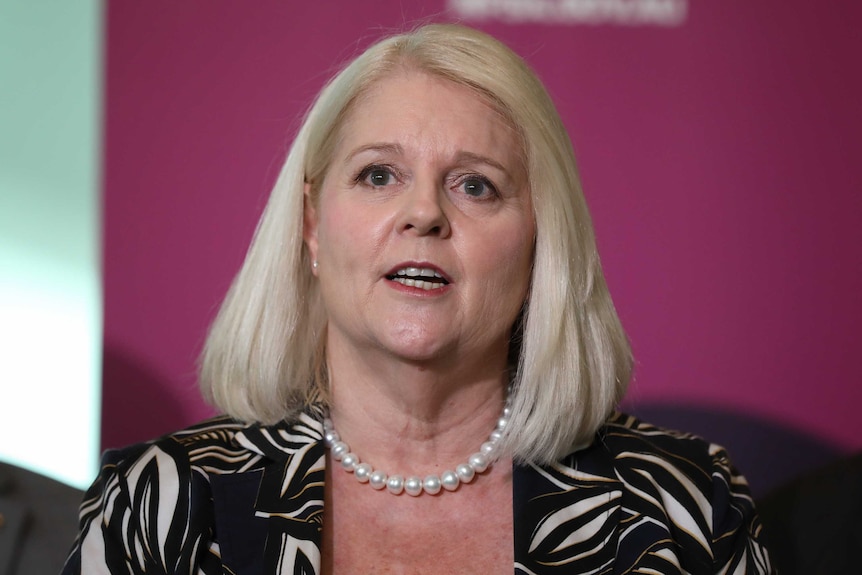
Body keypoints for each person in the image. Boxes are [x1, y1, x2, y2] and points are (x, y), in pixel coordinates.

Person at [62, 23, 773, 574]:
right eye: (379, 175)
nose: (424, 214)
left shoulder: (684, 508)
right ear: (312, 224)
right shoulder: (162, 502)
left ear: (540, 244)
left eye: (476, 185)